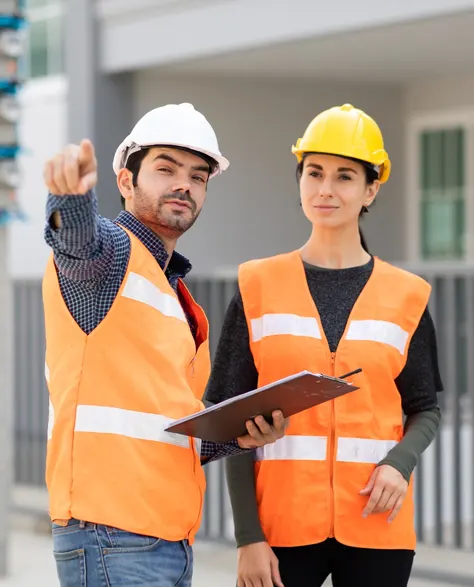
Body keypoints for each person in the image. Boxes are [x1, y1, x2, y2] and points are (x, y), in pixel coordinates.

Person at [42, 102, 287, 587]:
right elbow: (77, 244)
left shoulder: (174, 294)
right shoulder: (109, 257)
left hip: (165, 537)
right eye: (165, 169)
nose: (184, 185)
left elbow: (165, 432)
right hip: (110, 533)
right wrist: (68, 198)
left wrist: (237, 435)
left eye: (198, 176)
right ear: (126, 181)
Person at [204, 103, 443, 587]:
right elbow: (230, 419)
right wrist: (248, 537)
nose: (325, 189)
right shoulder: (257, 286)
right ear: (299, 181)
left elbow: (426, 407)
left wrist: (400, 463)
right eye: (313, 173)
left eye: (344, 176)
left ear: (371, 188)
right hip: (282, 527)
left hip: (377, 525)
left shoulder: (407, 296)